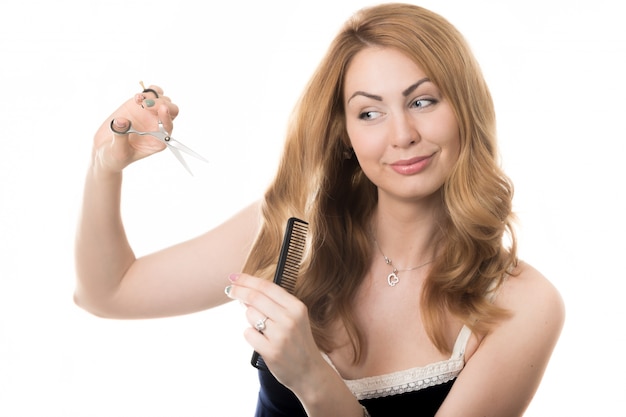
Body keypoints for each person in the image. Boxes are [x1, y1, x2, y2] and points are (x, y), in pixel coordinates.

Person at [74, 3, 565, 416]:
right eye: (369, 112)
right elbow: (108, 292)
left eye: (423, 101)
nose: (401, 135)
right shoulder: (292, 231)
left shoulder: (522, 307)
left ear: (465, 108)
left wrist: (312, 378)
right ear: (345, 134)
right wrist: (105, 165)